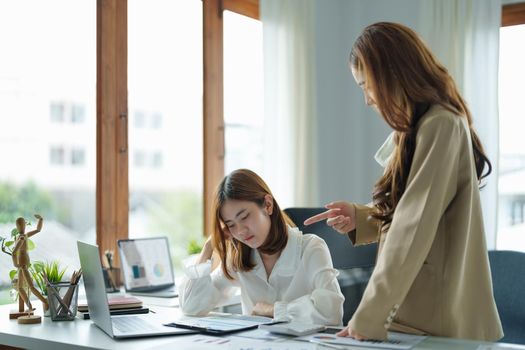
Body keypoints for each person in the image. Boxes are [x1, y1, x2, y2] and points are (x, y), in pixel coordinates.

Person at [304, 22, 503, 341]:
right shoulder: (412, 131)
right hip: (415, 314)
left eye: (366, 85)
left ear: (394, 74)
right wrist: (361, 216)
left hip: (439, 319)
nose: (367, 99)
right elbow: (409, 211)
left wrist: (368, 316)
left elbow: (413, 226)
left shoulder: (440, 125)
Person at [179, 168, 344, 325]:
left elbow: (331, 313)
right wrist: (208, 248)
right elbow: (191, 307)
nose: (241, 231)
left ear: (267, 205)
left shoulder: (311, 248)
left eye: (244, 217)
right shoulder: (239, 258)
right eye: (231, 225)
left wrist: (272, 310)